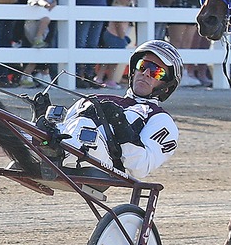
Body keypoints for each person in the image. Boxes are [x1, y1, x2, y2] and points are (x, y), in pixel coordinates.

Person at [46, 39, 182, 181]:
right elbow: (64, 125)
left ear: (166, 87)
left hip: (100, 165)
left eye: (157, 72)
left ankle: (51, 151)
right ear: (134, 71)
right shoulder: (97, 97)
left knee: (84, 126)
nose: (146, 73)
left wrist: (120, 124)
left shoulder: (160, 119)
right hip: (64, 145)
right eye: (142, 66)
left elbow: (139, 168)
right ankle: (36, 143)